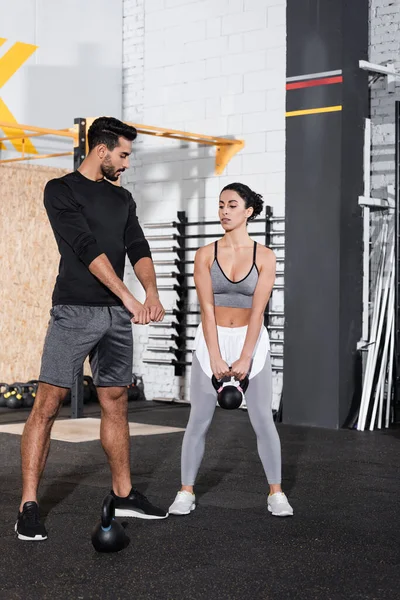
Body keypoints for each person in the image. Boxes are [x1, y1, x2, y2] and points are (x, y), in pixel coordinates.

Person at [16, 117, 168, 541]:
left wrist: (151, 292)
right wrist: (129, 297)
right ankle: (28, 505)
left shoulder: (123, 199)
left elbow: (137, 246)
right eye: (123, 155)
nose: (126, 163)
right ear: (101, 151)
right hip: (75, 310)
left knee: (115, 400)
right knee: (48, 403)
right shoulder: (60, 190)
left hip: (116, 317)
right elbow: (86, 248)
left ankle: (123, 494)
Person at [169, 183, 293, 518]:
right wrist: (214, 355)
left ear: (248, 211)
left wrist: (245, 356)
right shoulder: (205, 254)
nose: (224, 211)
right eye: (221, 205)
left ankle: (276, 493)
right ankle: (186, 491)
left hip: (251, 342)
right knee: (198, 420)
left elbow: (258, 311)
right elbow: (206, 309)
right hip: (212, 339)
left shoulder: (265, 256)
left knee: (263, 420)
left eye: (232, 205)